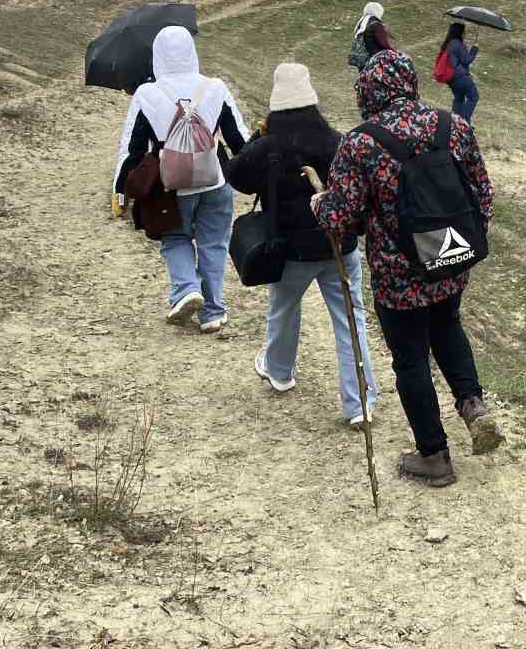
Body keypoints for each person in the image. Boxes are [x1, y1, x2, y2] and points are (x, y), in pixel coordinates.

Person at [313, 50, 499, 487]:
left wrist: (321, 205)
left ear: (367, 90)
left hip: (398, 277)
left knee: (411, 360)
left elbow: (341, 219)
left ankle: (434, 456)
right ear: (410, 82)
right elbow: (483, 197)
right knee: (448, 325)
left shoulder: (360, 143)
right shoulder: (455, 127)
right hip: (451, 259)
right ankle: (473, 404)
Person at [223, 63, 379, 427]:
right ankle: (360, 402)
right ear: (312, 99)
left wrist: (253, 139)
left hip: (289, 248)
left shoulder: (269, 145)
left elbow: (238, 178)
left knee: (283, 308)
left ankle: (279, 371)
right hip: (340, 246)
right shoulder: (338, 141)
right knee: (350, 320)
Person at [113, 26, 248, 332]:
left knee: (175, 238)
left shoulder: (147, 94)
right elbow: (239, 139)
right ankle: (213, 312)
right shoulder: (215, 87)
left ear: (157, 57)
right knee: (214, 244)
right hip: (214, 179)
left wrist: (120, 190)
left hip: (170, 186)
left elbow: (132, 148)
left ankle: (187, 290)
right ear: (192, 52)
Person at [439, 22, 480, 123]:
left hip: (452, 79)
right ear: (460, 32)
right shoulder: (457, 44)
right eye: (463, 32)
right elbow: (467, 59)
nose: (464, 34)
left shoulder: (449, 43)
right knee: (474, 96)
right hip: (461, 77)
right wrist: (474, 49)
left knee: (459, 99)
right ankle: (464, 121)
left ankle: (454, 122)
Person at [350, 2, 393, 70]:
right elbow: (383, 44)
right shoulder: (376, 25)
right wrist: (394, 52)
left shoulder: (362, 23)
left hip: (363, 61)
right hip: (376, 61)